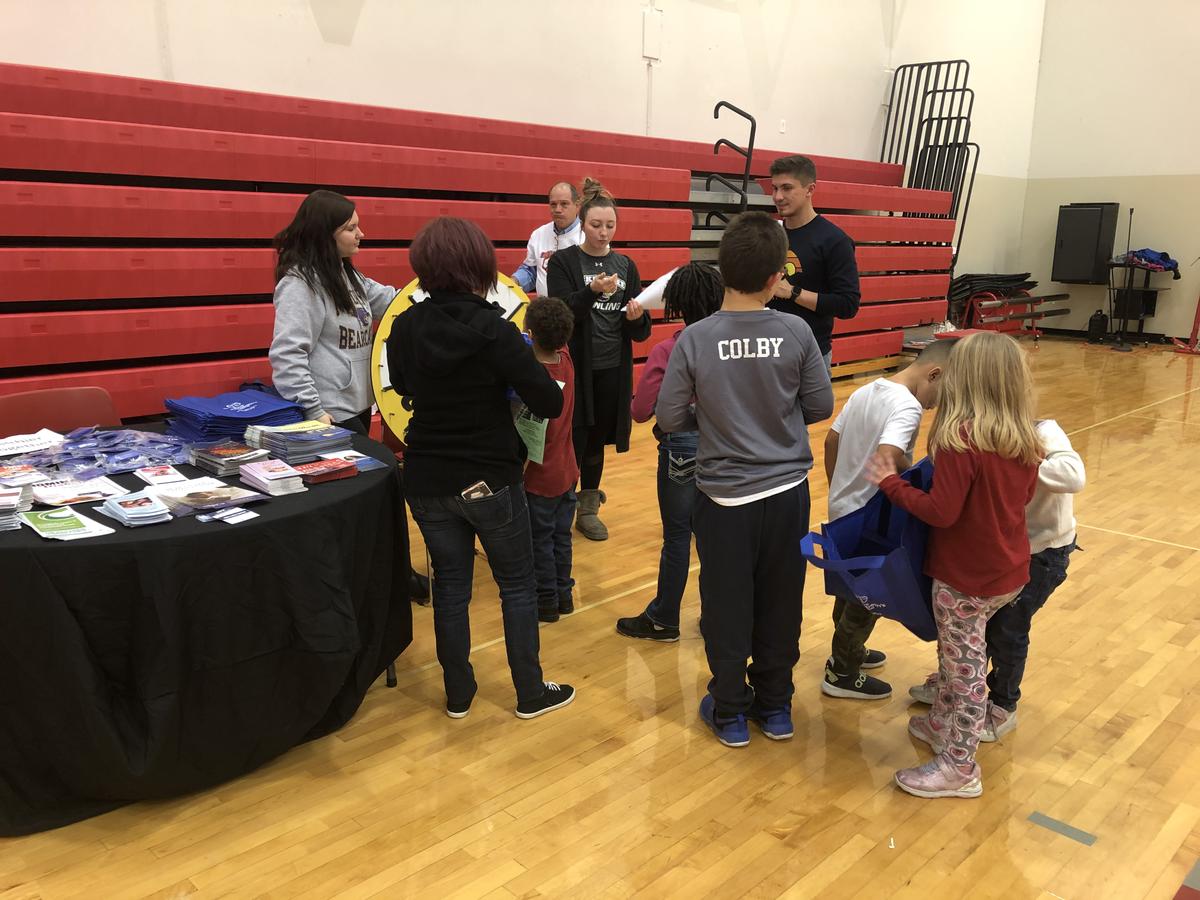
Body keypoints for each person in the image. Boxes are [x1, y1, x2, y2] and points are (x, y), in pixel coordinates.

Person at [386, 216, 575, 721]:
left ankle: (458, 694)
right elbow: (547, 402)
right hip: (489, 476)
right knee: (516, 583)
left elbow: (402, 384)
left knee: (450, 584)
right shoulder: (497, 330)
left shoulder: (404, 326)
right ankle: (530, 692)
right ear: (479, 265)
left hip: (426, 476)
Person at [656, 212, 834, 747]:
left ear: (722, 267)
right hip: (786, 494)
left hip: (723, 496)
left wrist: (713, 421)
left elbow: (667, 417)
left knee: (726, 601)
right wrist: (773, 422)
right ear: (776, 275)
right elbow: (820, 405)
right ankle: (775, 707)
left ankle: (731, 711)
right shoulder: (796, 329)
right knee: (781, 597)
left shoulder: (695, 337)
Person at [866, 331, 1041, 799]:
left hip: (965, 578)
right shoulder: (1024, 438)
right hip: (1007, 572)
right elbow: (1021, 498)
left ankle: (960, 766)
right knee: (956, 656)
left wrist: (890, 483)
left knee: (963, 670)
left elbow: (941, 512)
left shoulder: (962, 440)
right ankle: (943, 724)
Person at [908, 417, 1084, 741]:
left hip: (1044, 552)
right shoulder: (977, 438)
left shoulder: (1044, 430)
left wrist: (1016, 464)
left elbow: (1075, 475)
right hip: (1007, 551)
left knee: (1008, 631)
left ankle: (1003, 704)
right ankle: (956, 692)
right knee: (977, 629)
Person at [820, 338, 957, 701]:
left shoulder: (869, 389)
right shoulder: (908, 407)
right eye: (940, 395)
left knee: (850, 587)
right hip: (873, 516)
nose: (935, 406)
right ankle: (841, 672)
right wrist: (908, 485)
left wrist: (838, 489)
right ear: (934, 373)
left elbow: (831, 441)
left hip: (844, 508)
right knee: (868, 598)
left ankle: (848, 653)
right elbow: (887, 457)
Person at [616, 262, 723, 642]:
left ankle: (664, 618)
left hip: (680, 447)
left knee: (677, 537)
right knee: (715, 537)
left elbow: (641, 410)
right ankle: (715, 618)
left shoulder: (669, 348)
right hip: (726, 446)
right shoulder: (732, 345)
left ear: (676, 302)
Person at [546, 178, 652, 542]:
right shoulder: (563, 262)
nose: (603, 232)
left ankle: (587, 507)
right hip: (574, 367)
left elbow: (640, 332)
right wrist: (591, 292)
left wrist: (638, 317)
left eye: (610, 226)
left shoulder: (626, 265)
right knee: (569, 437)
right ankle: (561, 502)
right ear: (583, 223)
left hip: (612, 367)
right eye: (596, 225)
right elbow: (561, 313)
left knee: (595, 440)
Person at [269, 190, 397, 435]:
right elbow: (287, 354)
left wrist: (435, 289)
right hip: (328, 414)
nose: (361, 234)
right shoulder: (300, 284)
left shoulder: (348, 274)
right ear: (325, 234)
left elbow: (392, 302)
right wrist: (313, 410)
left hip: (357, 406)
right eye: (351, 228)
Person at [765, 155, 861, 371]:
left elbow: (848, 304)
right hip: (767, 351)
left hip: (810, 355)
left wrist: (793, 293)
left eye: (787, 188)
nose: (778, 196)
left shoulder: (834, 240)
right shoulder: (770, 234)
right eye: (774, 188)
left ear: (810, 189)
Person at [522, 297, 580, 624]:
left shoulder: (532, 378)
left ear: (530, 333)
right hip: (567, 472)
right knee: (562, 537)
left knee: (540, 542)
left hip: (539, 478)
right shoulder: (566, 359)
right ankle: (565, 595)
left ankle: (546, 603)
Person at [511, 182, 583, 298]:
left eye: (564, 204)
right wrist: (514, 282)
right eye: (553, 204)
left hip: (577, 311)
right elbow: (531, 271)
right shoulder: (538, 234)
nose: (558, 210)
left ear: (577, 205)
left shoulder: (589, 235)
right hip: (545, 311)